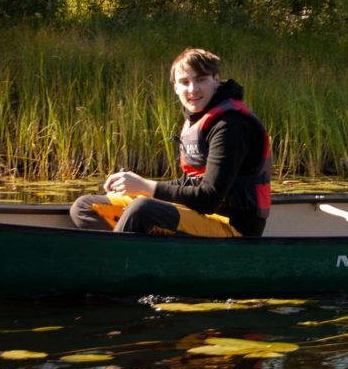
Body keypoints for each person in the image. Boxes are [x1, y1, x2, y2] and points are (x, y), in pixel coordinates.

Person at [70, 48, 271, 237]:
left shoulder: (231, 125)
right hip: (199, 215)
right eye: (184, 82)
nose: (192, 89)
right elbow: (189, 183)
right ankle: (134, 259)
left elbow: (208, 199)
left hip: (234, 227)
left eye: (201, 80)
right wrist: (136, 185)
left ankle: (115, 267)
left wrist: (147, 187)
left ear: (216, 80)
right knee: (85, 206)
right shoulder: (197, 118)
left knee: (143, 210)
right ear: (175, 87)